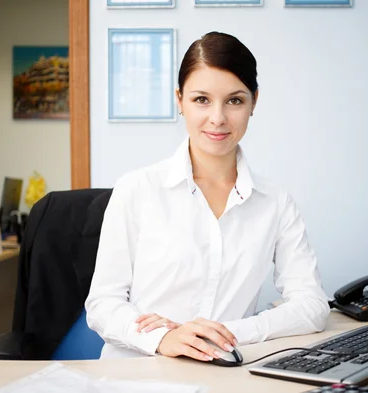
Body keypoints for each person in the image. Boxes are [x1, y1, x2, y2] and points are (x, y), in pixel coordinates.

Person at [85, 31, 330, 362]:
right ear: (180, 100)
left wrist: (229, 333)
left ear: (254, 102)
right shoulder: (137, 189)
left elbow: (312, 306)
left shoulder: (275, 203)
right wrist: (164, 338)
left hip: (224, 371)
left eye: (234, 100)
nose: (217, 118)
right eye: (201, 99)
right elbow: (102, 305)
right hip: (138, 373)